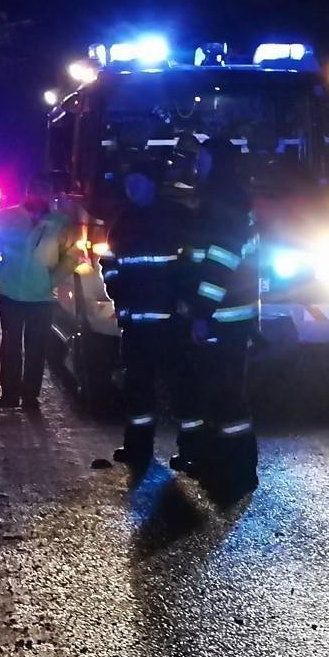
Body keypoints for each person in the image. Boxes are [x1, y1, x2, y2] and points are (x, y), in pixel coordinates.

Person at [175, 139, 261, 499]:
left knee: (227, 398)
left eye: (204, 160)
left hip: (222, 319)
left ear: (218, 163)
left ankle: (238, 472)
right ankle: (218, 464)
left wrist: (200, 314)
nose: (198, 167)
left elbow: (219, 267)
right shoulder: (225, 200)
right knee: (216, 394)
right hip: (226, 318)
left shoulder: (225, 205)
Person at [99, 161, 185, 468]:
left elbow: (188, 267)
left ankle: (190, 452)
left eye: (138, 182)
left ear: (152, 183)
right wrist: (118, 295)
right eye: (128, 184)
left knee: (180, 388)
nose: (132, 189)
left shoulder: (176, 217)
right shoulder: (122, 221)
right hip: (136, 323)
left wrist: (185, 304)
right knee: (137, 388)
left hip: (171, 323)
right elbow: (109, 263)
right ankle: (138, 448)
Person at [0, 175, 77, 409]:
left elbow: (71, 256)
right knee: (10, 345)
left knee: (36, 348)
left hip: (42, 297)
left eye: (45, 190)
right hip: (10, 293)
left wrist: (51, 279)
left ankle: (30, 397)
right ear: (28, 191)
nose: (40, 194)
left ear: (51, 194)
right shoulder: (8, 216)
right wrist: (1, 273)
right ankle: (9, 394)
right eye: (36, 189)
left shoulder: (61, 223)